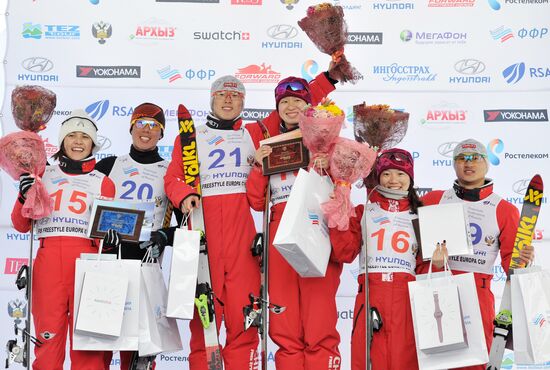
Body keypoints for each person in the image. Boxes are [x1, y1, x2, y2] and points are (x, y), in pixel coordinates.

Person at [245, 70, 341, 370]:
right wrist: (260, 167)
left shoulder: (328, 142)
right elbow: (256, 201)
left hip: (316, 226)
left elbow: (346, 192)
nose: (290, 107)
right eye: (284, 101)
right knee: (284, 322)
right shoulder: (269, 144)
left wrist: (333, 166)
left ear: (309, 106)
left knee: (319, 319)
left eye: (297, 101)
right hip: (279, 230)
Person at [164, 76, 260, 370]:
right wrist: (183, 195)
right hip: (203, 235)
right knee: (203, 324)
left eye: (235, 96)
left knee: (245, 318)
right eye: (222, 95)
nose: (228, 100)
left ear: (243, 102)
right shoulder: (191, 137)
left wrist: (330, 78)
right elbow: (173, 178)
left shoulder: (254, 134)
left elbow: (291, 110)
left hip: (241, 238)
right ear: (212, 100)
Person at [11, 109, 115, 370]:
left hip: (89, 264)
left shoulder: (103, 182)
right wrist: (24, 196)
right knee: (47, 342)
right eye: (72, 136)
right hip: (49, 262)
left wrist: (113, 240)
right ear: (62, 141)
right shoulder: (42, 175)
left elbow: (110, 232)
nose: (78, 142)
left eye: (84, 136)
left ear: (93, 143)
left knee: (88, 346)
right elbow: (21, 225)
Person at [421, 138, 534, 370]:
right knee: (431, 360)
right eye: (461, 158)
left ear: (486, 163)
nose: (468, 163)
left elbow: (511, 264)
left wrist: (523, 261)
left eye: (475, 158)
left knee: (473, 363)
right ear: (453, 164)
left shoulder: (504, 209)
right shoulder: (433, 200)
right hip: (436, 288)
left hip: (478, 290)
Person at [95, 102, 175, 369]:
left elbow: (185, 224)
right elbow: (87, 211)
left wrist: (164, 235)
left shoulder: (170, 171)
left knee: (138, 350)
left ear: (161, 135)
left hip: (146, 264)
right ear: (131, 127)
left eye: (154, 126)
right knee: (101, 342)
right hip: (109, 260)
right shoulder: (108, 164)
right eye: (141, 123)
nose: (146, 130)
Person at [329, 148, 424, 370]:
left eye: (401, 174)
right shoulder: (364, 211)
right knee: (369, 359)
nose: (394, 180)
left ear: (410, 179)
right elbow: (344, 252)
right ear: (378, 177)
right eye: (387, 173)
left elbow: (424, 266)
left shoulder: (421, 213)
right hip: (371, 293)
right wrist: (339, 214)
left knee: (405, 360)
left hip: (407, 297)